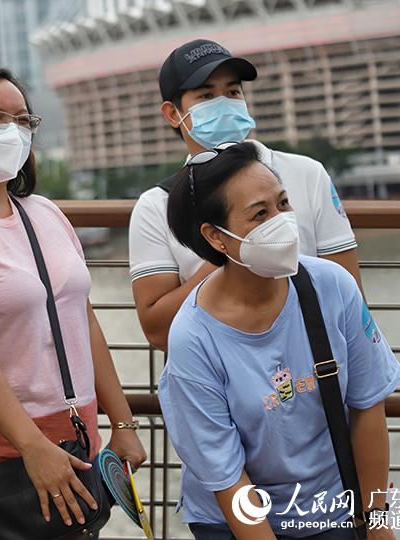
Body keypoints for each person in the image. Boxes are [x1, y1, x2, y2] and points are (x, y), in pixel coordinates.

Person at [0, 67, 146, 530]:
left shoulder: (43, 212)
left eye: (23, 121)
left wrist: (122, 423)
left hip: (78, 434)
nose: (13, 132)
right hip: (5, 448)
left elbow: (82, 320)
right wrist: (33, 445)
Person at [158, 141, 400, 539]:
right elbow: (227, 476)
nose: (283, 221)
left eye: (283, 203)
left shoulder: (331, 286)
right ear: (216, 237)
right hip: (235, 520)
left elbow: (367, 405)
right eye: (260, 213)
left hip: (332, 507)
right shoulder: (194, 338)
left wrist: (376, 519)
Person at [128, 39, 363, 351]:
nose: (225, 102)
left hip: (316, 368)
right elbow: (158, 331)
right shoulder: (157, 206)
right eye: (207, 95)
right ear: (173, 114)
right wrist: (231, 250)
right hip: (220, 374)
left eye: (233, 92)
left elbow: (350, 297)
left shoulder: (307, 174)